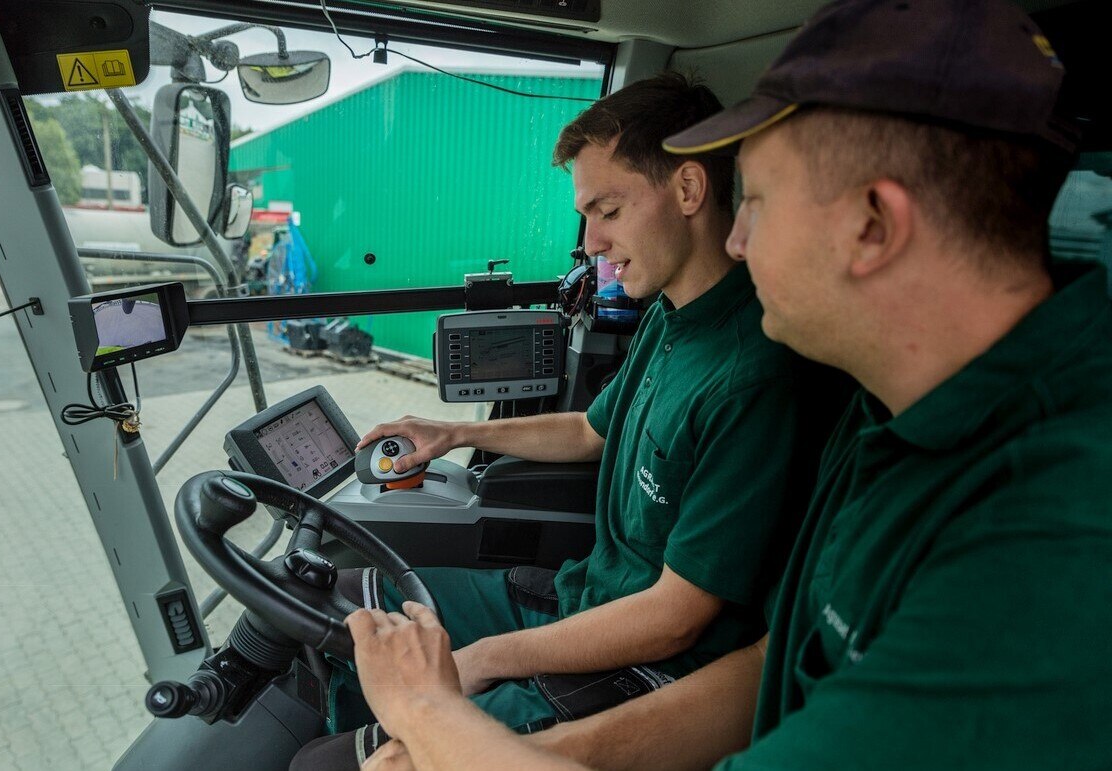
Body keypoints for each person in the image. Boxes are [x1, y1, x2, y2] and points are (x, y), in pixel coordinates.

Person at [337, 0, 1112, 769]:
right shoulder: (893, 411)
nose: (739, 240)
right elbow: (769, 663)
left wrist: (435, 714)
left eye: (761, 203)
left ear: (873, 225)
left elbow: (693, 632)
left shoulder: (1052, 542)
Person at [291, 72, 850, 769]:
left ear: (687, 190)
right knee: (348, 608)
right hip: (577, 598)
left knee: (321, 765)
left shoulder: (752, 376)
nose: (589, 241)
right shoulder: (671, 317)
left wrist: (488, 659)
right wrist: (459, 433)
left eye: (607, 209)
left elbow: (677, 616)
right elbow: (591, 429)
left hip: (649, 659)